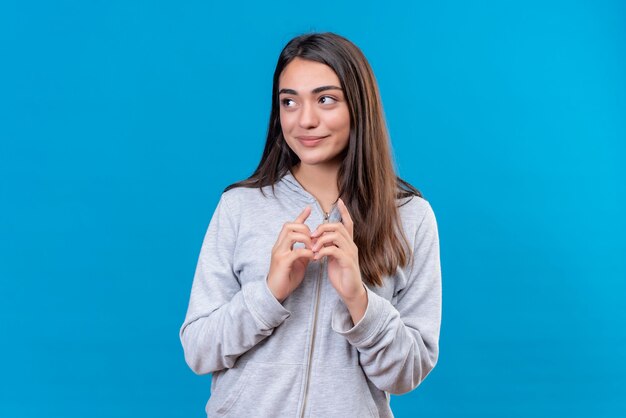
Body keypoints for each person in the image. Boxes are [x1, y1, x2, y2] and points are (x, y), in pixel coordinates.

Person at [179, 32, 442, 418]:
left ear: (358, 106)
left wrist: (360, 300)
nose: (305, 119)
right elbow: (199, 351)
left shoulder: (411, 217)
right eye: (289, 101)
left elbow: (407, 373)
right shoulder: (239, 206)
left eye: (325, 99)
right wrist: (269, 293)